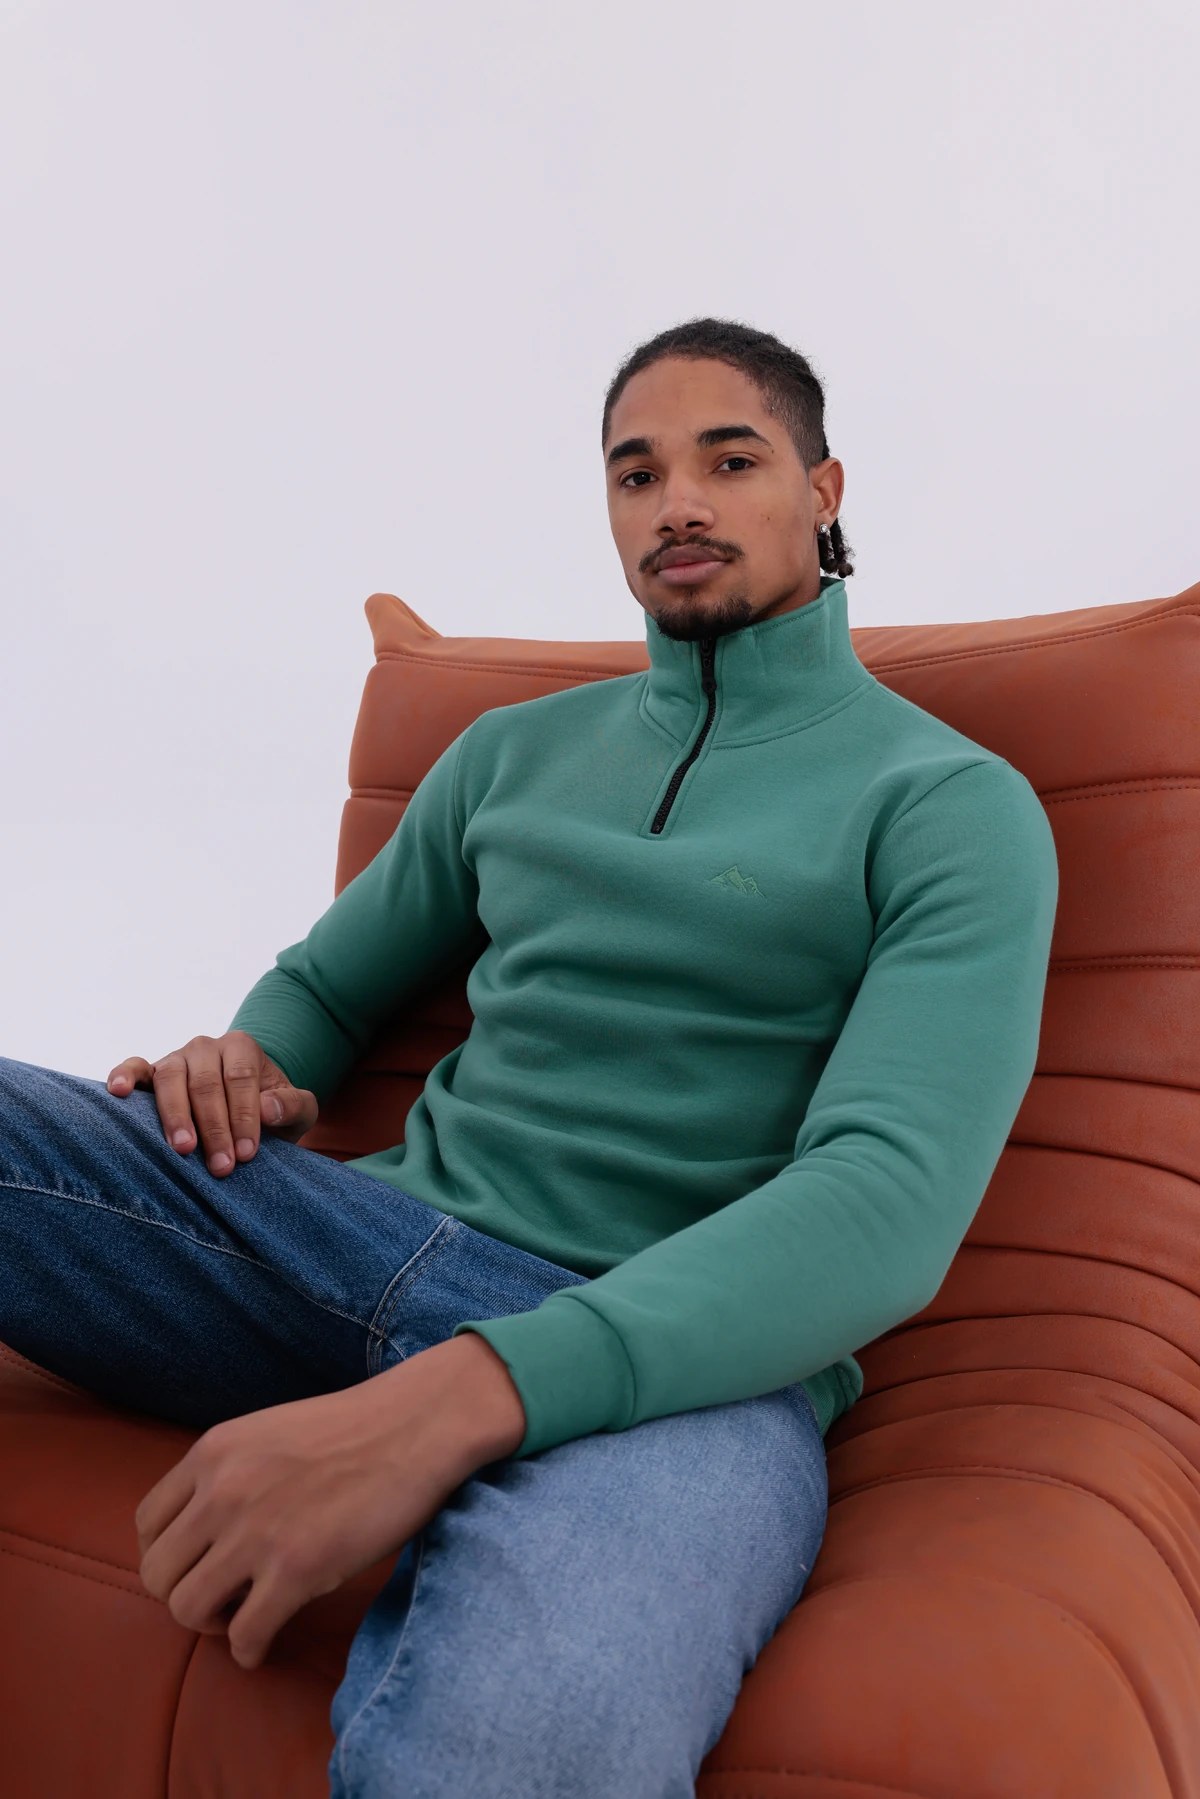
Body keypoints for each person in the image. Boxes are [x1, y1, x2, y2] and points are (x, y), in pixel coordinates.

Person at [0, 318, 1058, 1798]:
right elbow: (323, 988)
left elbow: (885, 1203)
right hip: (356, 1241)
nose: (676, 502)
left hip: (697, 1371)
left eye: (729, 461)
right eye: (637, 473)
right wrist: (252, 1061)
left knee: (522, 1741)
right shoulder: (509, 754)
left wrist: (459, 1396)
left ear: (822, 492)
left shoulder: (948, 804)